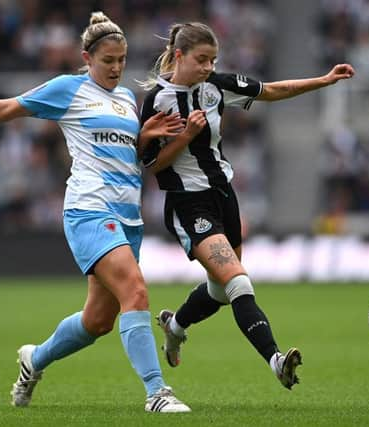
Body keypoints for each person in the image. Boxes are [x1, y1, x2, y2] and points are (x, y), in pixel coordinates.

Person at [0, 12, 191, 413]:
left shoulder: (127, 100)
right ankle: (156, 393)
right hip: (89, 211)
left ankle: (34, 360)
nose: (116, 68)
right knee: (136, 290)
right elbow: (11, 107)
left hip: (127, 217)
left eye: (121, 60)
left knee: (97, 321)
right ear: (86, 57)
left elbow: (131, 158)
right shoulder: (69, 89)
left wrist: (145, 136)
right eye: (107, 61)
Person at [139, 22, 355, 390]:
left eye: (213, 60)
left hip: (224, 195)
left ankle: (175, 326)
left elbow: (271, 91)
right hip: (189, 205)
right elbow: (151, 165)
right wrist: (187, 136)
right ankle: (276, 360)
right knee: (238, 282)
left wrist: (324, 80)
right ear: (179, 56)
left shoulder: (215, 87)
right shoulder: (157, 101)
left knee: (221, 290)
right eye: (201, 60)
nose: (208, 67)